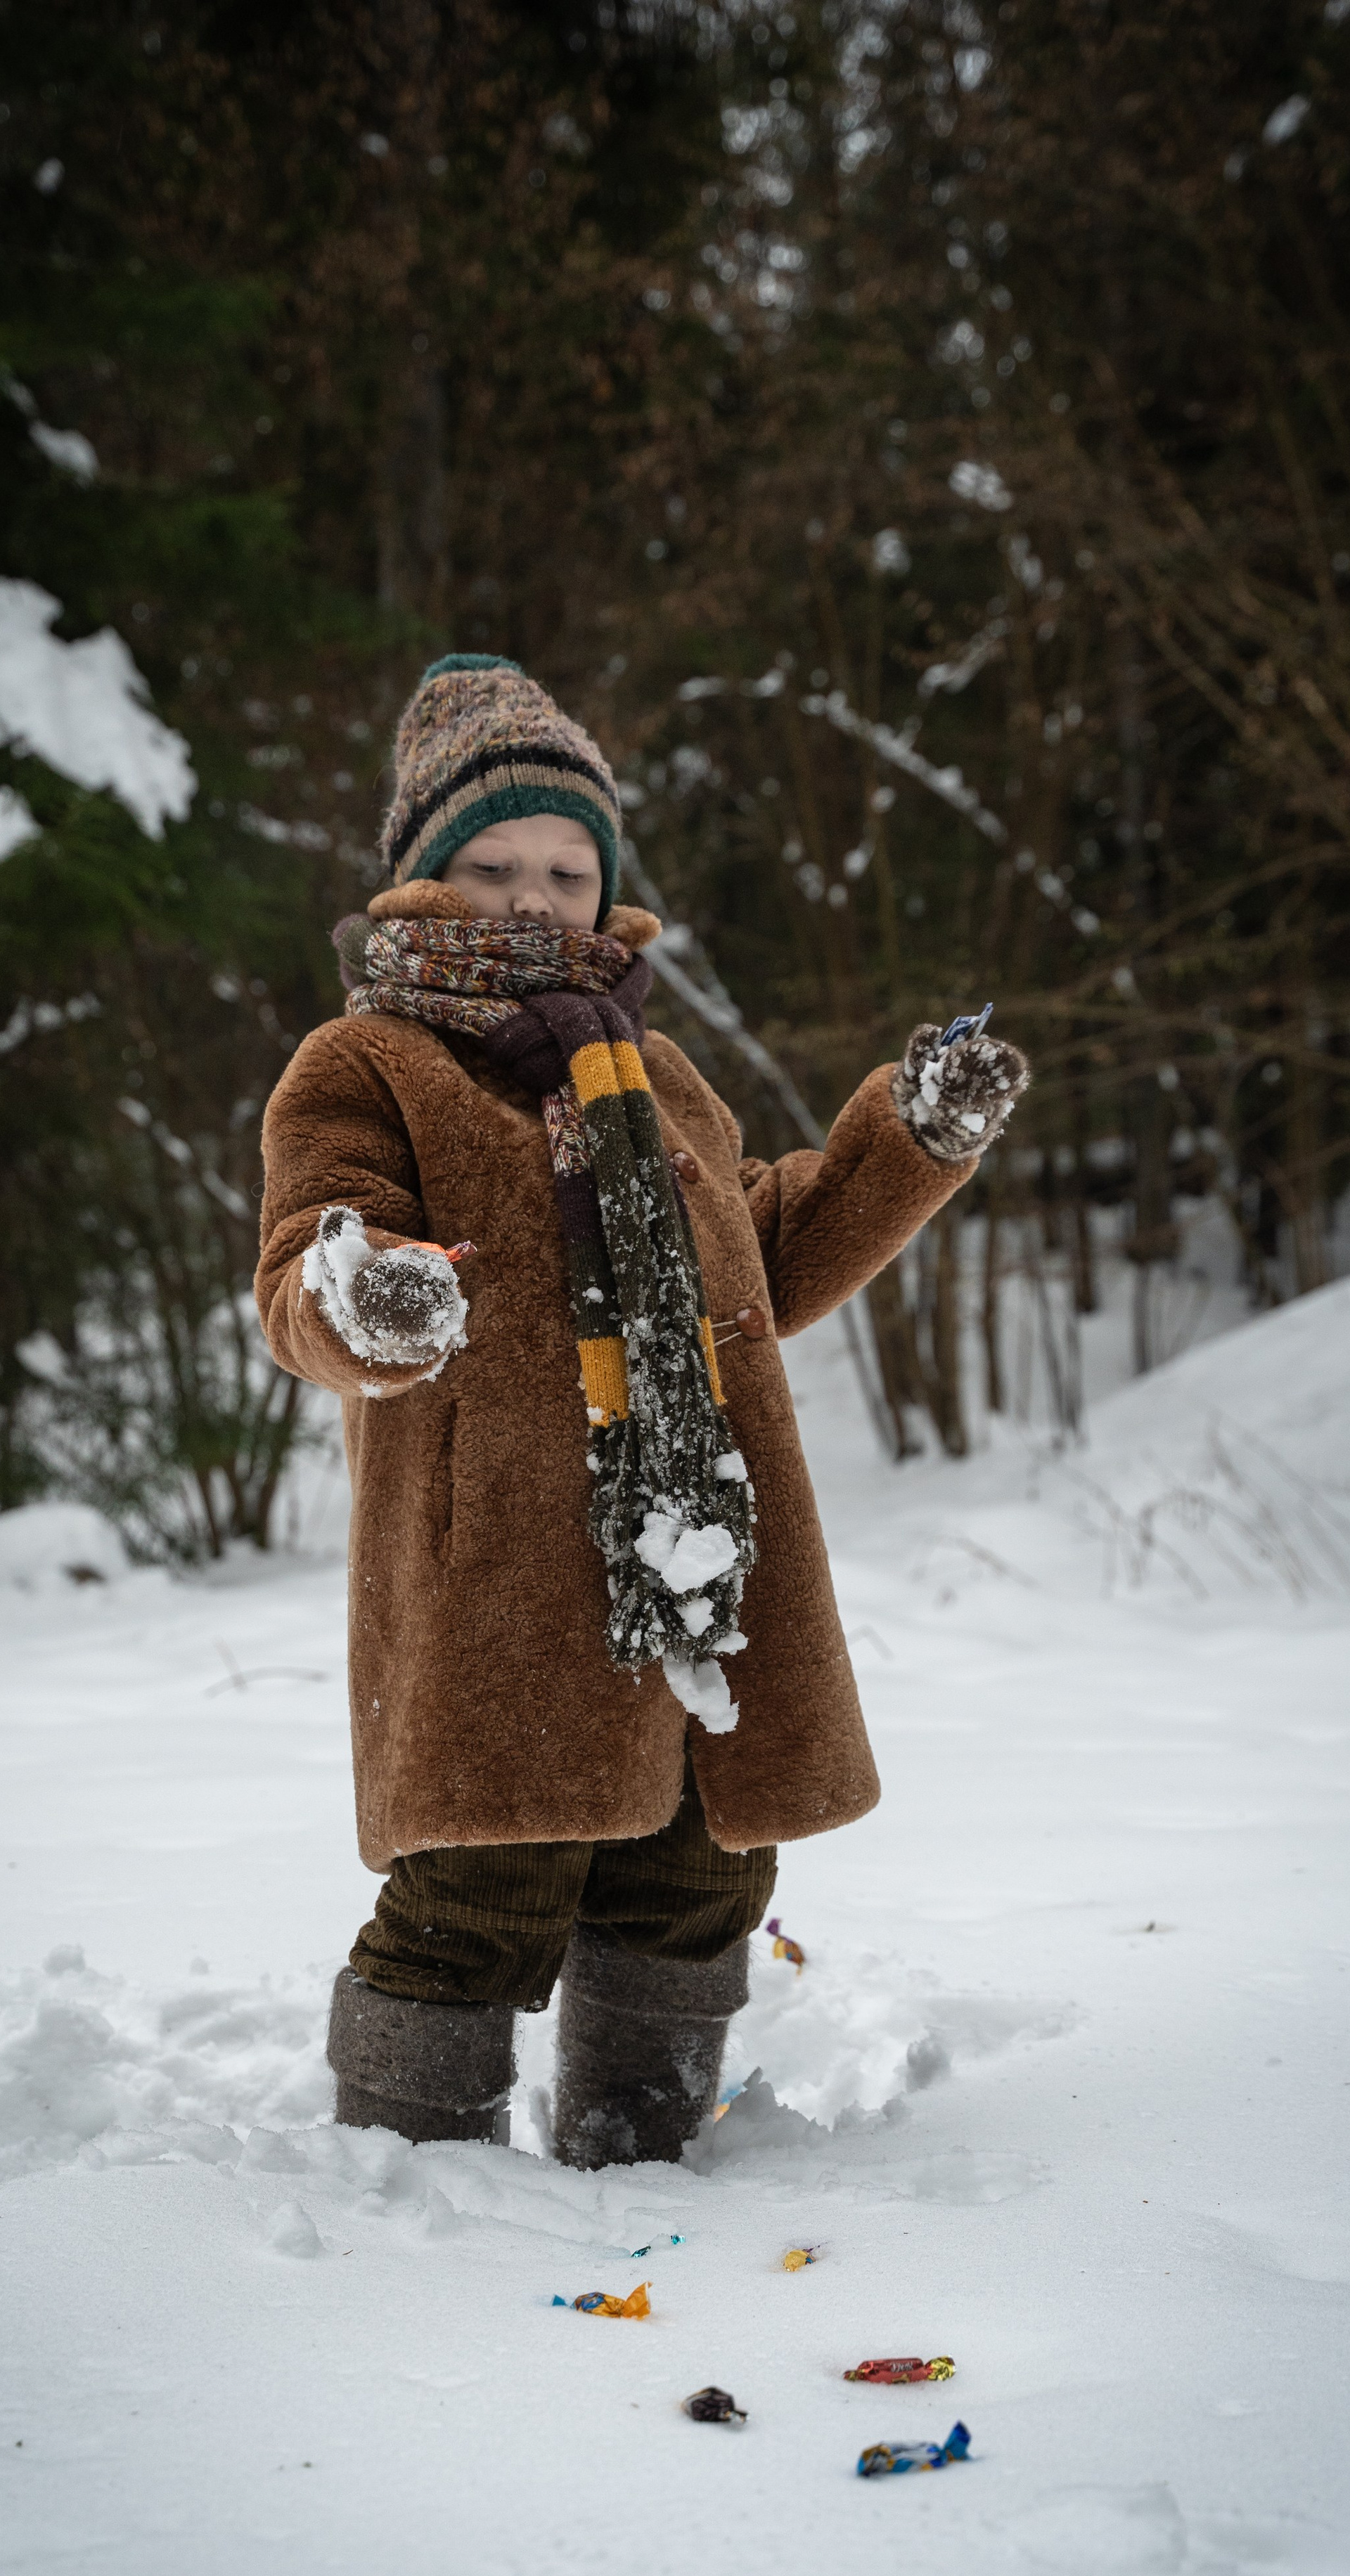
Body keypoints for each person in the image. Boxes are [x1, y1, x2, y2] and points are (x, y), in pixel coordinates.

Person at [255, 654, 1028, 2166]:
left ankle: (639, 2144)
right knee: (486, 1878)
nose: (534, 898)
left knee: (698, 1871)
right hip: (502, 1569)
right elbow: (305, 1266)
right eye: (491, 867)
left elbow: (766, 1246)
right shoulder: (367, 1065)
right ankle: (401, 2182)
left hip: (696, 1551)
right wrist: (372, 1294)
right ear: (419, 882)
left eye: (565, 866)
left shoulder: (654, 1071)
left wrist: (909, 1141)